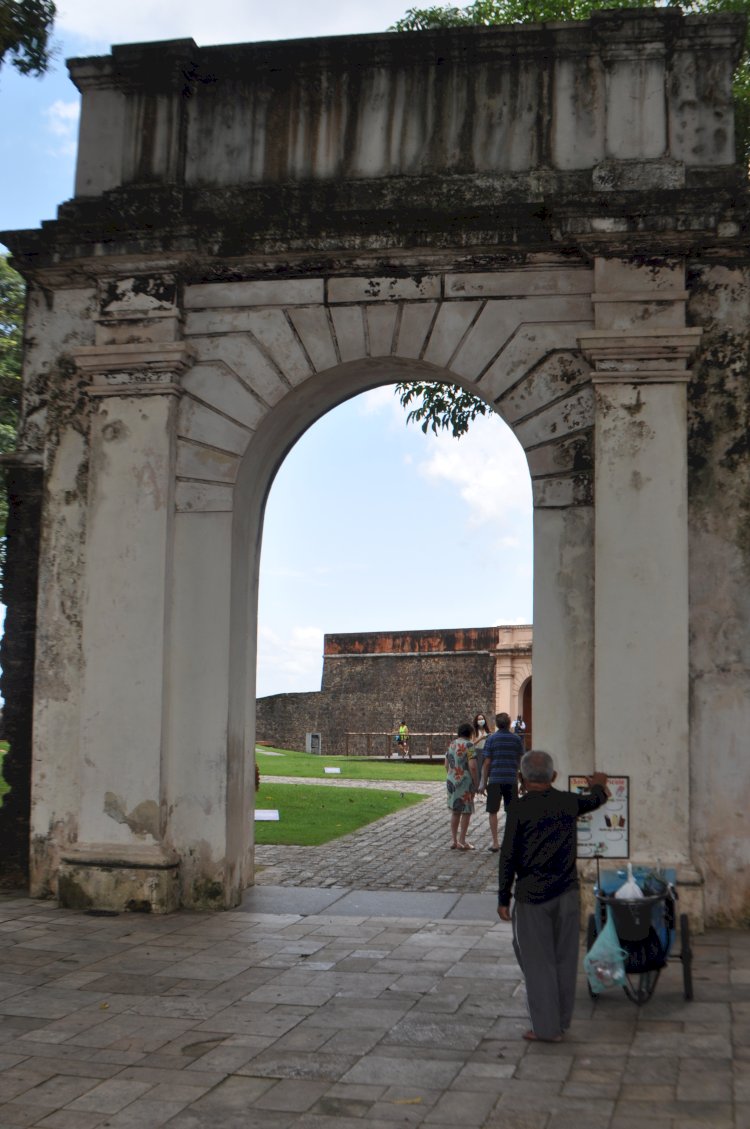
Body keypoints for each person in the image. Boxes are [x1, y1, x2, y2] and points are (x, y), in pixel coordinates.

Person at [497, 749, 610, 1043]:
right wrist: (598, 782)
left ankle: (546, 1028)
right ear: (554, 776)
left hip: (531, 895)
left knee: (538, 963)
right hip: (566, 893)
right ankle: (559, 1021)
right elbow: (596, 798)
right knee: (563, 959)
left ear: (521, 777)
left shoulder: (519, 809)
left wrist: (502, 896)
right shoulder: (567, 802)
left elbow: (507, 856)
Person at [480, 713, 524, 851]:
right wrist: (523, 781)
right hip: (511, 779)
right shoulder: (516, 739)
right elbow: (521, 761)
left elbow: (487, 763)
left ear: (497, 724)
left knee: (493, 811)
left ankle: (495, 842)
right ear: (509, 722)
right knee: (511, 812)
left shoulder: (491, 739)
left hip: (495, 779)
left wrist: (483, 781)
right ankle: (510, 842)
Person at [445, 722, 479, 850]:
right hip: (465, 781)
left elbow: (446, 763)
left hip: (452, 779)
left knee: (455, 811)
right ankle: (462, 840)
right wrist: (476, 782)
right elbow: (473, 766)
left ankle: (454, 840)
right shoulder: (469, 745)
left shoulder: (452, 744)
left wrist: (451, 776)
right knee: (466, 811)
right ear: (470, 733)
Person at [472, 711, 492, 783]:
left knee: (487, 768)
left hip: (486, 750)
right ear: (476, 721)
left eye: (482, 719)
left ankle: (485, 783)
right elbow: (472, 743)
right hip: (477, 750)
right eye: (479, 719)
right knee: (478, 768)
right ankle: (477, 783)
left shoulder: (487, 730)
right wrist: (481, 738)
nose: (481, 721)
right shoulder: (474, 731)